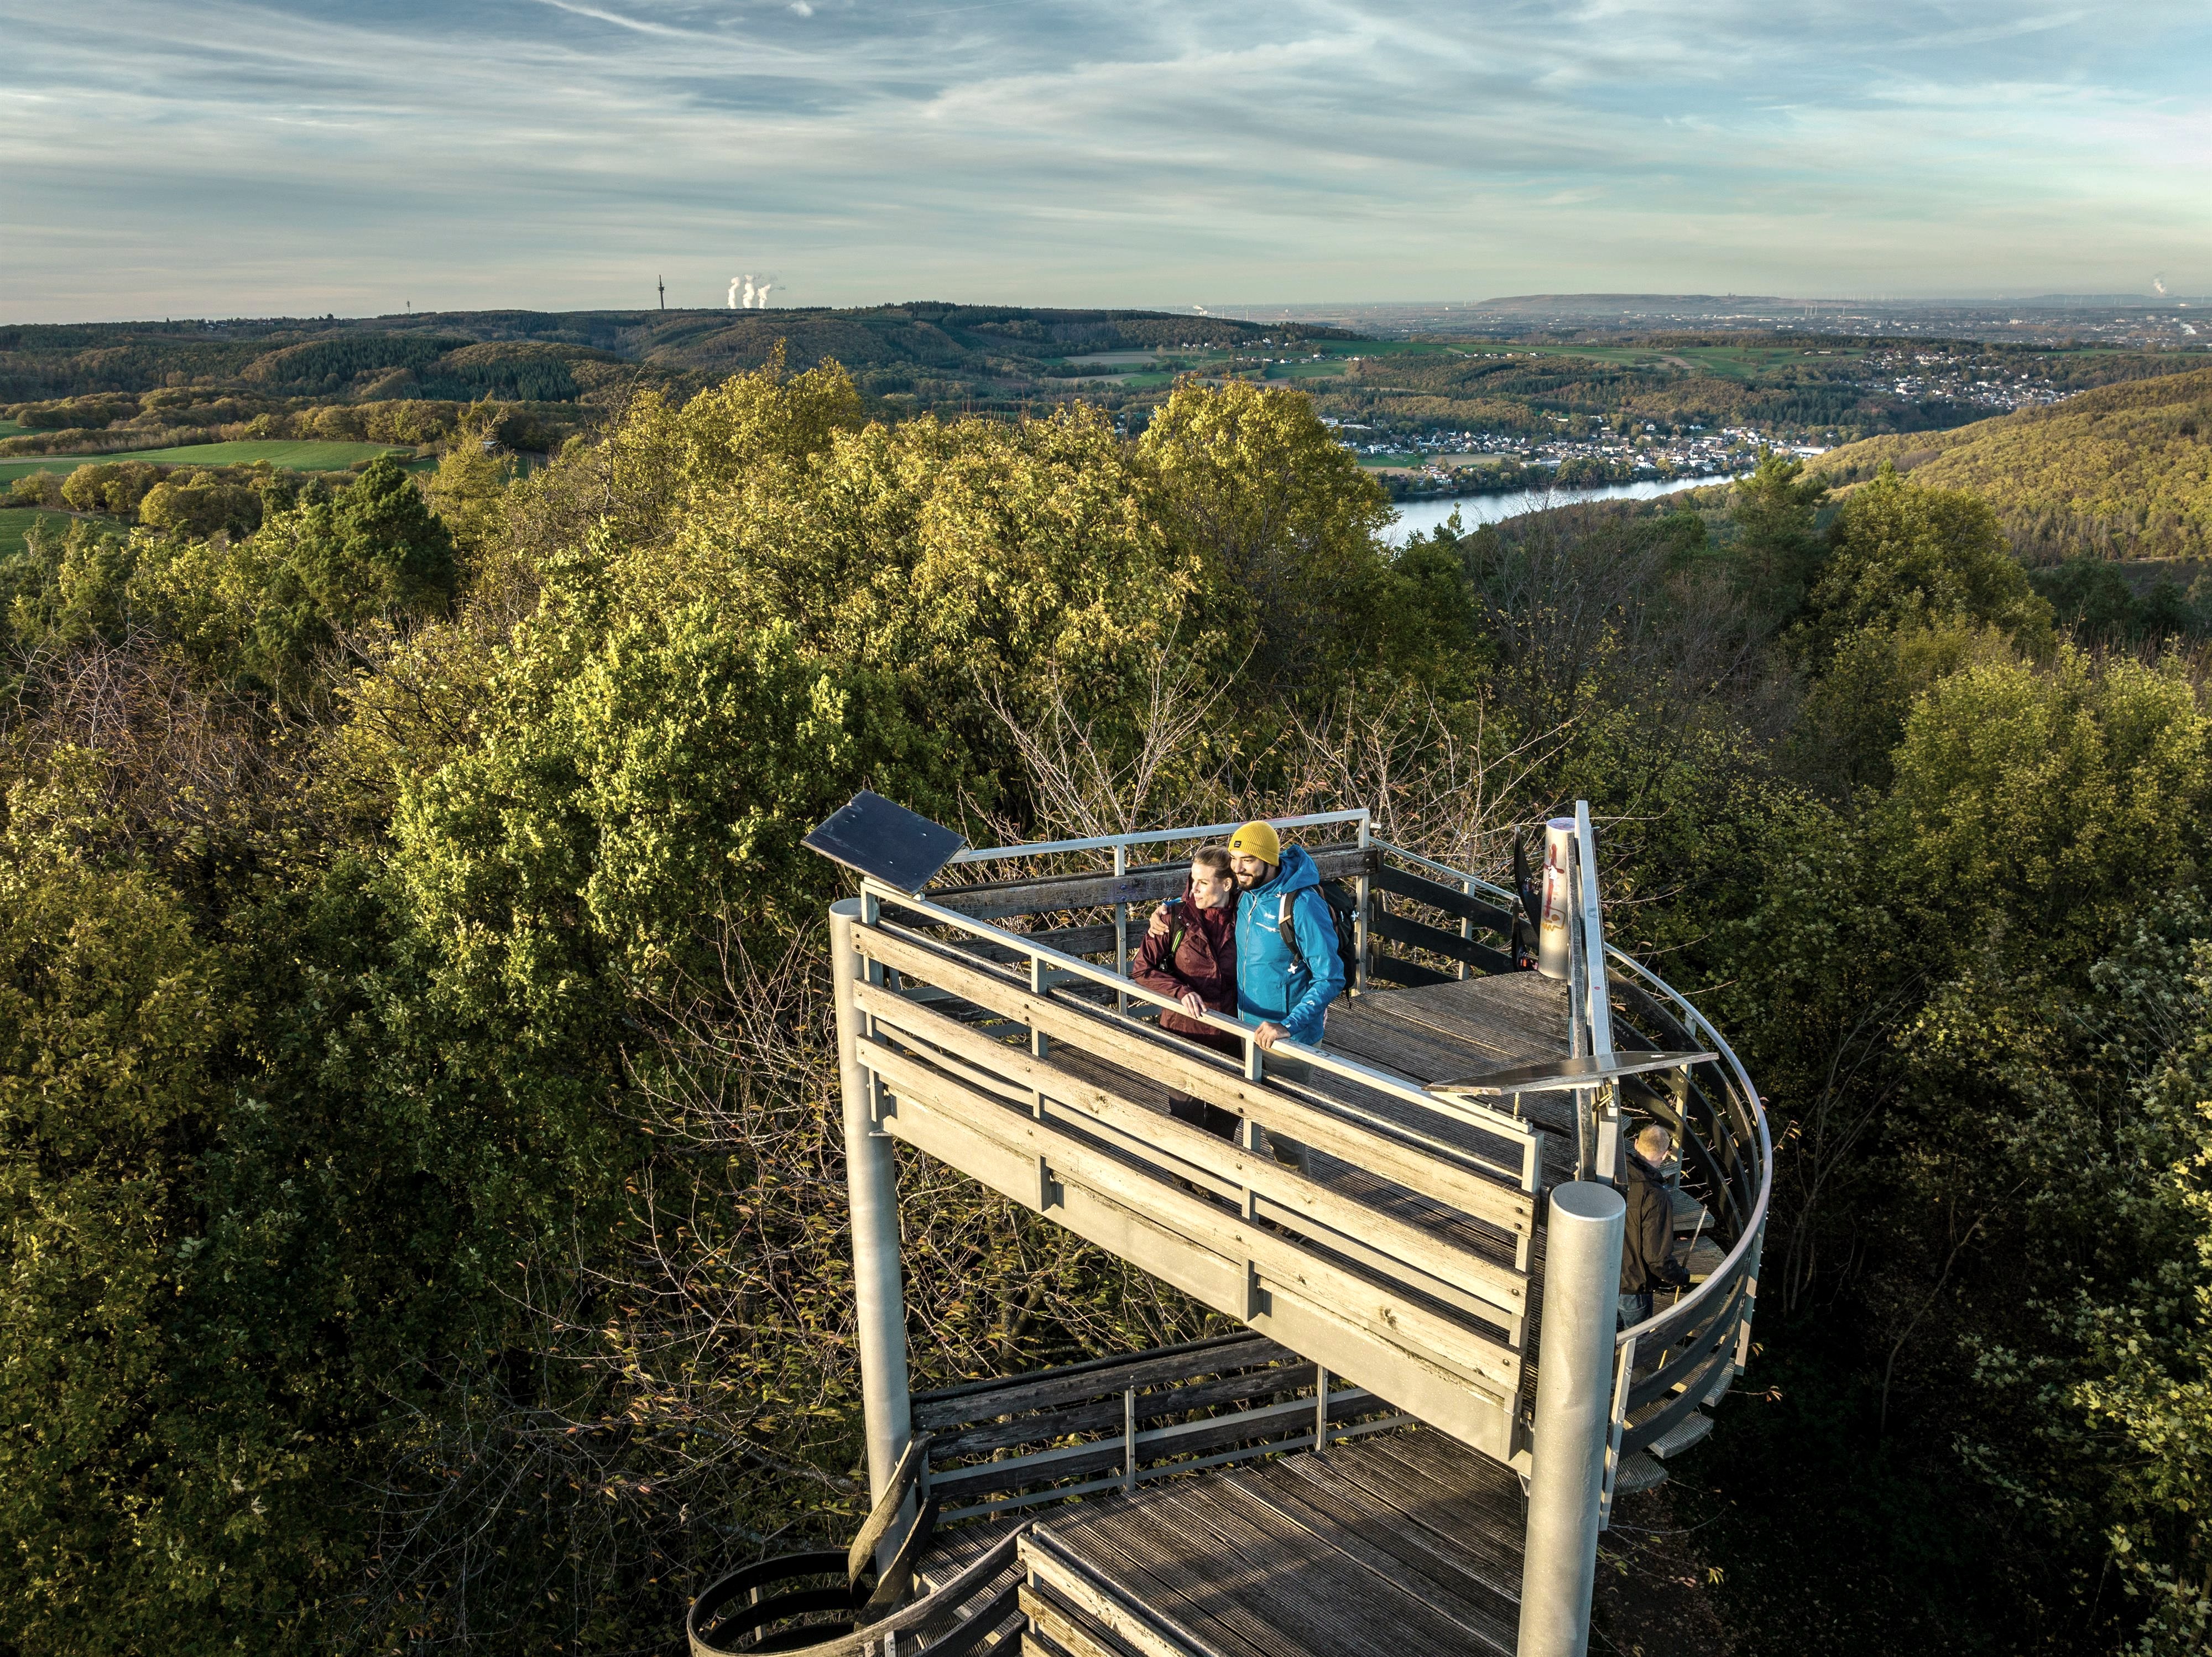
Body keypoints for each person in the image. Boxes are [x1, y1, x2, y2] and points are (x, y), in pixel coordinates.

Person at [1130, 847, 1241, 1140]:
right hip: (1184, 1033)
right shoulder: (1174, 918)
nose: (1194, 889)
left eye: (1203, 883)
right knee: (1186, 1121)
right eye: (1192, 881)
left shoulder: (1248, 916)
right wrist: (1180, 991)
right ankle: (1184, 1171)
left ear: (1226, 884)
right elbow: (1141, 969)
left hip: (1232, 1035)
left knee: (1225, 1121)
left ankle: (1217, 1172)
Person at [1620, 1121, 1689, 1327]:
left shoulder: (1614, 1173)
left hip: (1603, 1277)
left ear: (1636, 1143)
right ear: (1665, 1155)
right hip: (1634, 1288)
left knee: (1604, 1340)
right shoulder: (1656, 1196)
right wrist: (1680, 1277)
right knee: (1634, 1342)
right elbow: (1656, 1258)